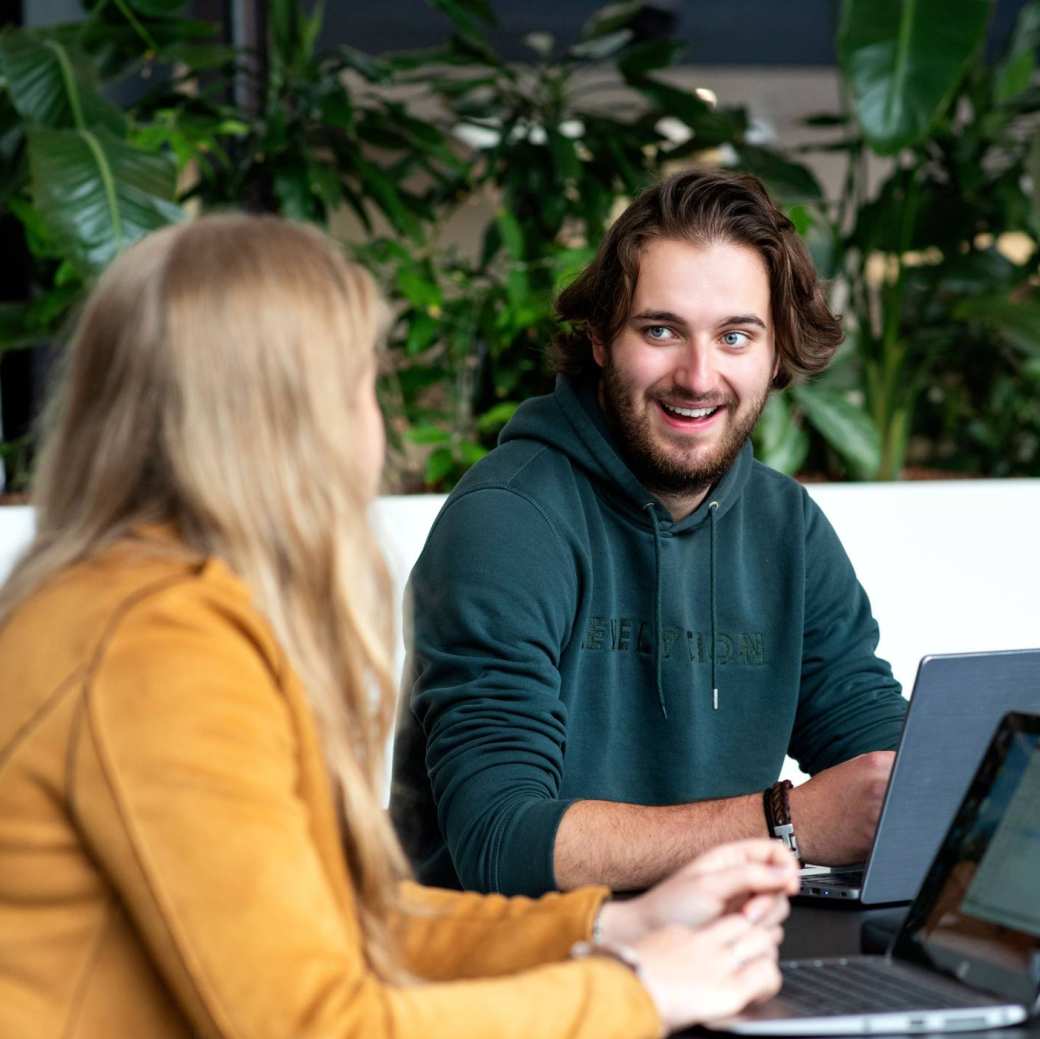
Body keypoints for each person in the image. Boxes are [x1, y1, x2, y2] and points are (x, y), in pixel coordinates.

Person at [0, 214, 799, 1039]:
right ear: (286, 421)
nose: (375, 427)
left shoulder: (132, 601)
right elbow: (314, 1025)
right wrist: (634, 991)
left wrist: (605, 926)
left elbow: (336, 918)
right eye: (363, 384)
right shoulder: (159, 645)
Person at [389, 167, 908, 898]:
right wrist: (784, 821)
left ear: (775, 350)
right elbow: (500, 842)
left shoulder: (785, 528)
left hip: (721, 968)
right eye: (661, 330)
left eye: (735, 335)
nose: (699, 376)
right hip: (519, 983)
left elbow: (891, 765)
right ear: (600, 339)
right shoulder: (507, 521)